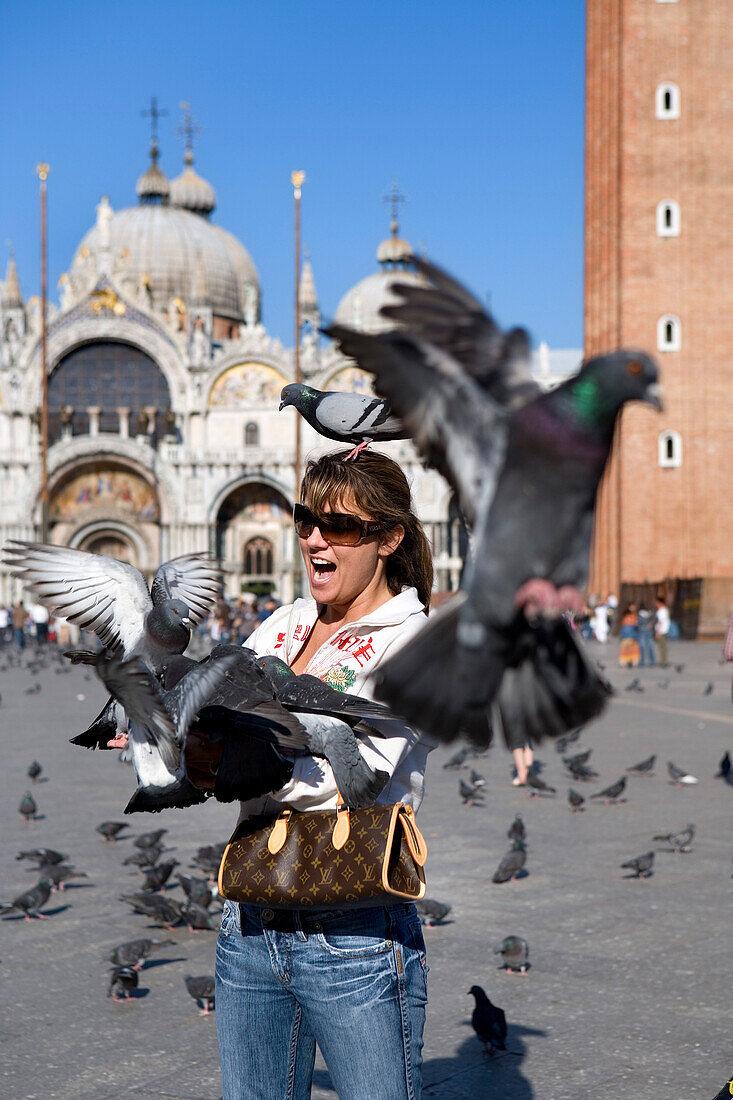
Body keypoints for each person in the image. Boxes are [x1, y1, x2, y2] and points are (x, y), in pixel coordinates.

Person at [188, 449, 434, 1100]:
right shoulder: (286, 623)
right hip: (249, 924)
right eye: (304, 520)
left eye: (340, 526)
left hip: (351, 936)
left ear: (388, 537)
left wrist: (224, 759)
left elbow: (349, 781)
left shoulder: (414, 641)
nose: (314, 539)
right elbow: (219, 707)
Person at [655, 596, 670, 667]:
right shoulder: (665, 610)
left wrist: (658, 632)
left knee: (662, 647)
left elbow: (660, 622)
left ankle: (663, 662)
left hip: (662, 631)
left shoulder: (661, 611)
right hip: (664, 630)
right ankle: (663, 661)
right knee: (663, 646)